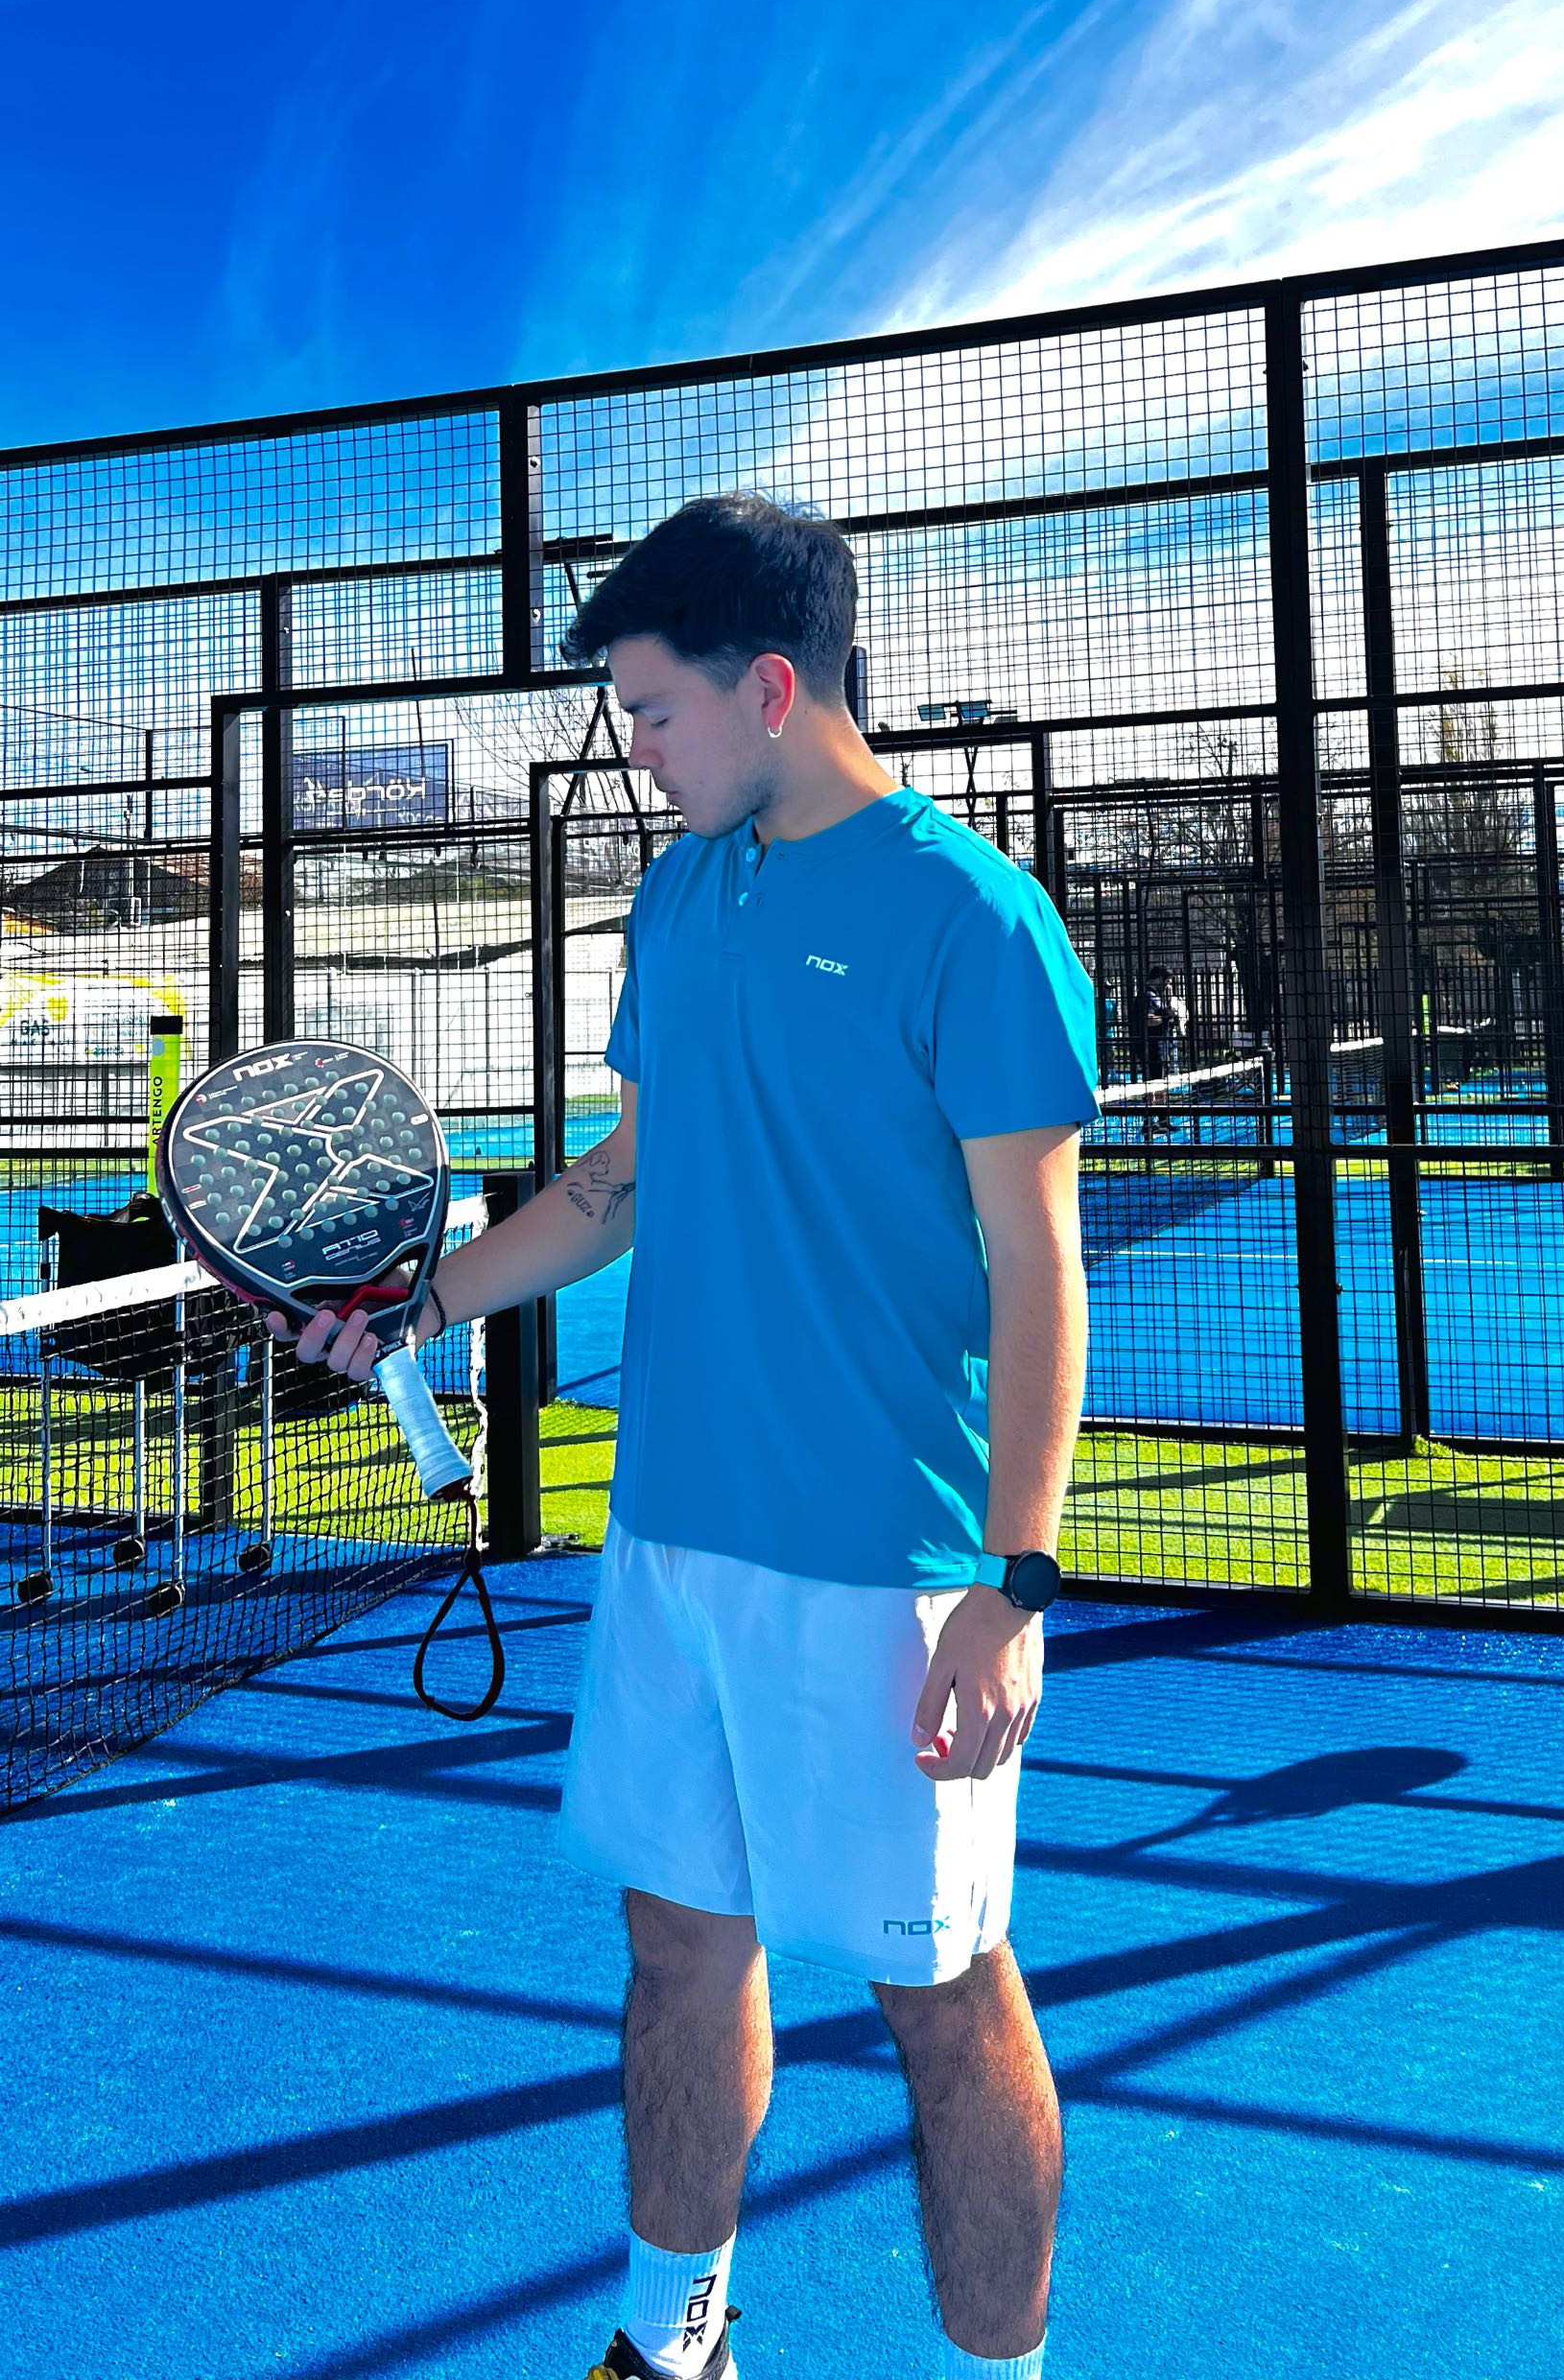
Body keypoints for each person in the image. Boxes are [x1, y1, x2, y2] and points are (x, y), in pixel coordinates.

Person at [283, 494, 1097, 2380]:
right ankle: (673, 2344)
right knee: (677, 1953)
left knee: (942, 1999)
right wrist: (422, 1308)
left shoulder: (974, 918)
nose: (637, 751)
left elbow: (1039, 1262)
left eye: (653, 711)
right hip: (668, 1545)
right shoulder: (680, 896)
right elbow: (623, 1181)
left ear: (772, 688)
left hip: (888, 1574)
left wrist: (1017, 1581)